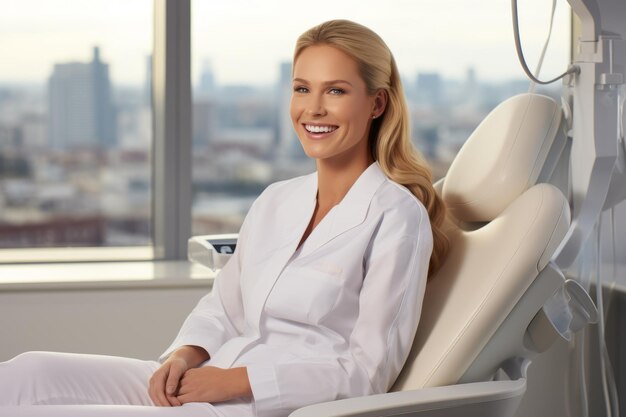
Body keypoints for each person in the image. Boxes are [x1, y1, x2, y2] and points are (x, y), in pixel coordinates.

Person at [0, 19, 448, 417]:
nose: (312, 108)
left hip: (262, 406)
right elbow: (223, 307)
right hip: (208, 381)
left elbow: (367, 373)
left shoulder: (397, 218)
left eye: (336, 90)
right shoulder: (277, 200)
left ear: (377, 104)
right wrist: (181, 357)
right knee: (27, 374)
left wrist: (236, 382)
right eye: (301, 88)